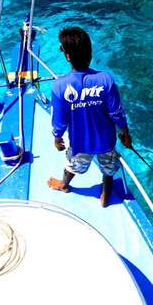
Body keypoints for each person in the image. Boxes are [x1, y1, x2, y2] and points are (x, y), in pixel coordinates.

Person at [47, 27, 132, 207]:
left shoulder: (59, 86)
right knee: (108, 167)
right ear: (90, 53)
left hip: (80, 144)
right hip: (106, 141)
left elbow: (59, 120)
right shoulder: (105, 79)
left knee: (73, 165)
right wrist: (125, 133)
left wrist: (57, 137)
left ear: (67, 56)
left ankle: (64, 184)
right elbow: (117, 113)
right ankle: (106, 192)